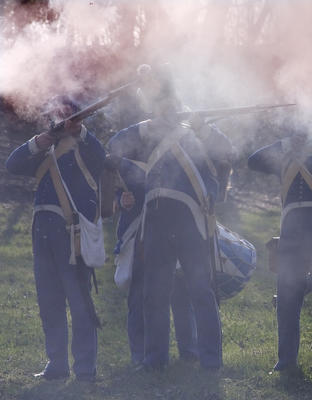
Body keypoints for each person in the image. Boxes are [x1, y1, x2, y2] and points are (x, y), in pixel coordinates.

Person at [108, 65, 231, 370]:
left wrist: (202, 127)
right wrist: (145, 127)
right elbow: (113, 147)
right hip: (157, 220)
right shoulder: (145, 132)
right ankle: (155, 359)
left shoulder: (196, 130)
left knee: (201, 290)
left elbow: (226, 152)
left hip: (191, 219)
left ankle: (210, 360)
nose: (163, 108)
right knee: (154, 292)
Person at [5, 96, 105, 381]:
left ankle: (85, 368)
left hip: (70, 235)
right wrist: (40, 140)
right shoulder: (44, 148)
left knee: (79, 302)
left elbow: (102, 159)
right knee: (49, 302)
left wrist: (80, 132)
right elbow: (13, 165)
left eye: (64, 113)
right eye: (54, 114)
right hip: (42, 233)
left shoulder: (85, 146)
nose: (57, 117)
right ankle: (57, 364)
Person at [248, 126, 312, 374]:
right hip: (292, 233)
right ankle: (286, 361)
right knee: (287, 298)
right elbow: (253, 161)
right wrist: (287, 144)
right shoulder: (285, 151)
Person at [105, 153, 201, 367]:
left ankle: (190, 351)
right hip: (139, 235)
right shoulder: (132, 151)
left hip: (175, 231)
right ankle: (141, 354)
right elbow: (114, 194)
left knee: (180, 296)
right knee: (138, 298)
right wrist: (122, 201)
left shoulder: (179, 150)